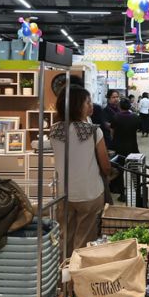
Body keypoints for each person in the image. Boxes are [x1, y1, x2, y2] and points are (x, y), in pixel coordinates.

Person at [48, 86, 111, 257]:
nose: (91, 105)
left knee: (65, 238)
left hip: (63, 193)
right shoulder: (93, 131)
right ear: (77, 105)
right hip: (89, 192)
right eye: (87, 102)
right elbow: (105, 166)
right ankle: (79, 272)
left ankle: (64, 270)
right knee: (85, 240)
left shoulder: (54, 130)